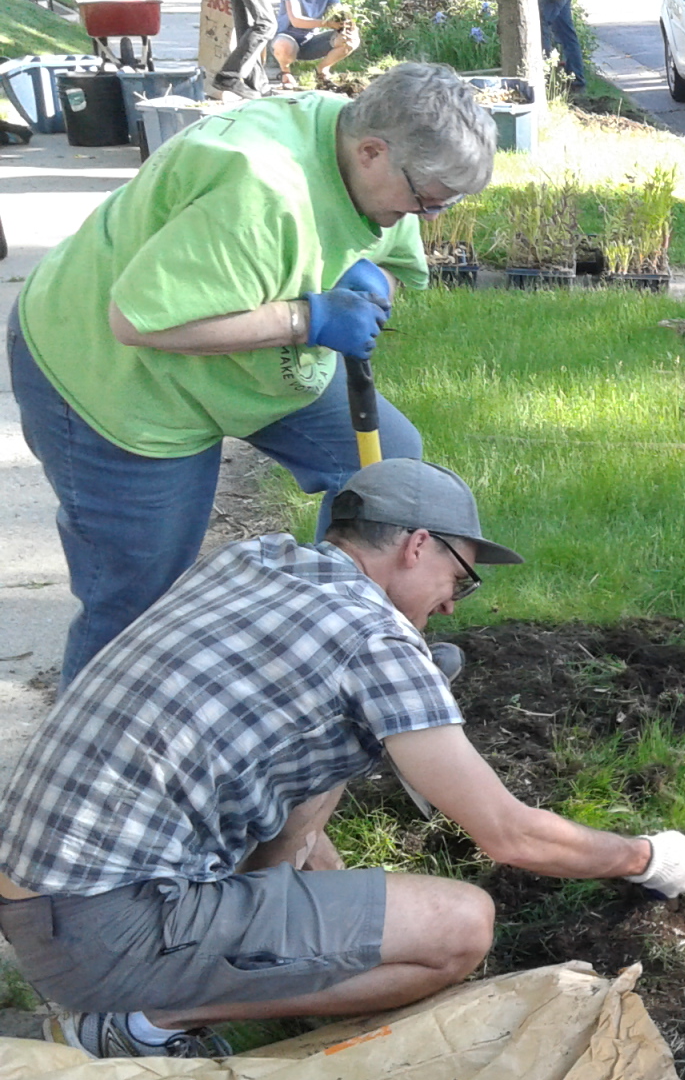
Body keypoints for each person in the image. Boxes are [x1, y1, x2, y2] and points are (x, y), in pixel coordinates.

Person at [0, 459, 685, 1060]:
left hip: (38, 900)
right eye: (461, 578)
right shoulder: (374, 640)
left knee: (332, 768)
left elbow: (286, 772)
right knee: (460, 928)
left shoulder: (254, 561)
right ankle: (143, 1023)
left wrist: (327, 891)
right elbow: (509, 834)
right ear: (418, 545)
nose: (454, 605)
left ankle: (183, 973)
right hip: (111, 928)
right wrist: (643, 857)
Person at [7, 62, 496, 687]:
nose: (424, 216)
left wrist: (376, 285)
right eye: (425, 200)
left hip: (245, 360)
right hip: (116, 379)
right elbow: (138, 322)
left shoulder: (367, 163)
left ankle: (344, 651)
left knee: (386, 471)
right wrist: (307, 318)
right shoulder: (260, 186)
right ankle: (90, 744)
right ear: (372, 151)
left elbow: (394, 267)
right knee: (138, 600)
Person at [271, 0, 359, 86]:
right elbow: (296, 20)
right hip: (287, 38)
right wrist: (328, 24)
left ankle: (322, 70)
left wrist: (346, 25)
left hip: (312, 41)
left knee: (351, 39)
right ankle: (285, 73)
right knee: (284, 44)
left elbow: (338, 13)